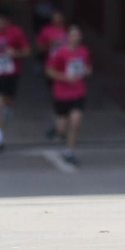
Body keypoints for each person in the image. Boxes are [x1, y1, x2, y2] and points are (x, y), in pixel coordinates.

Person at [44, 24, 90, 166]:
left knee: (75, 122)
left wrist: (85, 72)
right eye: (72, 35)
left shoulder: (83, 51)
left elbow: (88, 67)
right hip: (61, 93)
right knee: (62, 128)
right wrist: (64, 77)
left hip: (78, 91)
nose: (75, 38)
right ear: (67, 37)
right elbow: (49, 71)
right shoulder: (59, 52)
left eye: (78, 35)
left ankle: (69, 152)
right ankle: (56, 127)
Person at [0, 6, 31, 153]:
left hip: (11, 73)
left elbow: (27, 51)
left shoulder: (16, 32)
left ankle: (7, 109)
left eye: (3, 22)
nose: (0, 24)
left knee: (7, 101)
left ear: (8, 22)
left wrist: (15, 52)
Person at [34, 12, 67, 143]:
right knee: (56, 96)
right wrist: (50, 44)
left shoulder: (69, 32)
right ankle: (58, 123)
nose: (57, 20)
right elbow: (39, 48)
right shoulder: (46, 31)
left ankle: (60, 125)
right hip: (52, 68)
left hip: (67, 69)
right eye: (55, 18)